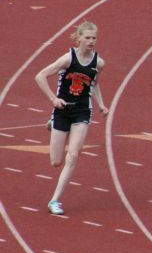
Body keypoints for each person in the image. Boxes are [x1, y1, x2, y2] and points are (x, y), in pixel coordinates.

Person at [34, 21, 109, 215]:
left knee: (73, 155)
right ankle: (53, 124)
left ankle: (54, 200)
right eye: (88, 38)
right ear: (79, 38)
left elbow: (94, 84)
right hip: (62, 110)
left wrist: (100, 104)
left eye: (94, 38)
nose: (91, 41)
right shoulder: (68, 59)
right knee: (56, 161)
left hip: (82, 112)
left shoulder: (98, 63)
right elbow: (40, 76)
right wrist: (53, 99)